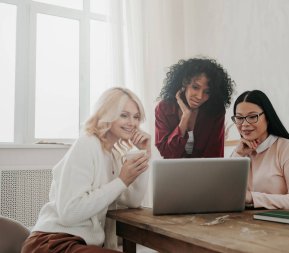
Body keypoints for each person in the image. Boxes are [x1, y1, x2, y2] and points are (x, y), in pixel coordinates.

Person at [21, 87, 151, 253]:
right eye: (124, 115)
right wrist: (121, 181)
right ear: (107, 115)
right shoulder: (87, 144)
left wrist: (144, 154)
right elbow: (70, 212)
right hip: (52, 242)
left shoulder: (114, 155)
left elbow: (132, 201)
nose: (132, 123)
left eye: (136, 117)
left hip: (83, 245)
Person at [231, 90, 289, 211]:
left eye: (252, 117)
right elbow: (229, 194)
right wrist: (237, 154)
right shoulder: (241, 153)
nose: (244, 124)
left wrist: (252, 198)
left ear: (268, 117)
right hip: (264, 225)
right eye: (239, 118)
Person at [155, 57, 235, 158]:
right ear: (184, 82)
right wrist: (184, 119)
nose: (200, 96)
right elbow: (167, 153)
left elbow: (214, 155)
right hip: (173, 171)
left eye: (207, 92)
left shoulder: (216, 110)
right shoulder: (164, 108)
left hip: (205, 172)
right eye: (195, 87)